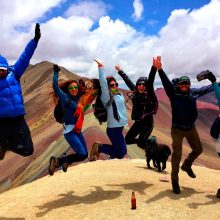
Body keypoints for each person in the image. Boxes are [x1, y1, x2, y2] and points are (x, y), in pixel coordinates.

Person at [154, 56, 216, 194]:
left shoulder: (193, 93)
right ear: (178, 86)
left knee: (198, 149)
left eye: (186, 84)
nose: (184, 86)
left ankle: (187, 165)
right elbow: (166, 83)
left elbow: (208, 89)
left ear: (189, 85)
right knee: (176, 155)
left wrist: (214, 81)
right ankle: (175, 182)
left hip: (191, 128)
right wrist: (160, 69)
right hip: (177, 129)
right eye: (182, 84)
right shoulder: (173, 94)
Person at [0, 23, 41, 160]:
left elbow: (25, 57)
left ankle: (6, 146)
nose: (0, 72)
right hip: (2, 121)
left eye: (2, 69)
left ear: (6, 67)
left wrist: (34, 41)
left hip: (18, 119)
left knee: (28, 150)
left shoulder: (14, 72)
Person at [49, 64, 97, 175]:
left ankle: (63, 161)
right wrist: (55, 73)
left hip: (77, 130)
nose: (74, 89)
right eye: (71, 88)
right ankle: (57, 161)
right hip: (70, 131)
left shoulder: (78, 100)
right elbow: (56, 88)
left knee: (84, 154)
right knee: (81, 153)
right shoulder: (65, 97)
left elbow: (84, 106)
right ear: (68, 89)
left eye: (75, 88)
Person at [89, 60, 128, 161]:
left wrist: (121, 71)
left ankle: (110, 154)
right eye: (111, 85)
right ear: (108, 87)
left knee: (123, 151)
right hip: (113, 128)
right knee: (120, 153)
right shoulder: (106, 97)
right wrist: (101, 67)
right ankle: (99, 148)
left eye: (116, 84)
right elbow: (102, 83)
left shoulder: (120, 95)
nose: (115, 87)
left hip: (120, 127)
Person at [115, 59, 158, 150]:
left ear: (146, 87)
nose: (141, 86)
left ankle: (153, 149)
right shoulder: (135, 91)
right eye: (139, 84)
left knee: (141, 144)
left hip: (147, 124)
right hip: (138, 123)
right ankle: (148, 142)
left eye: (143, 84)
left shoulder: (150, 94)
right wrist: (120, 71)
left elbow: (150, 80)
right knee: (127, 140)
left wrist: (154, 68)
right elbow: (128, 81)